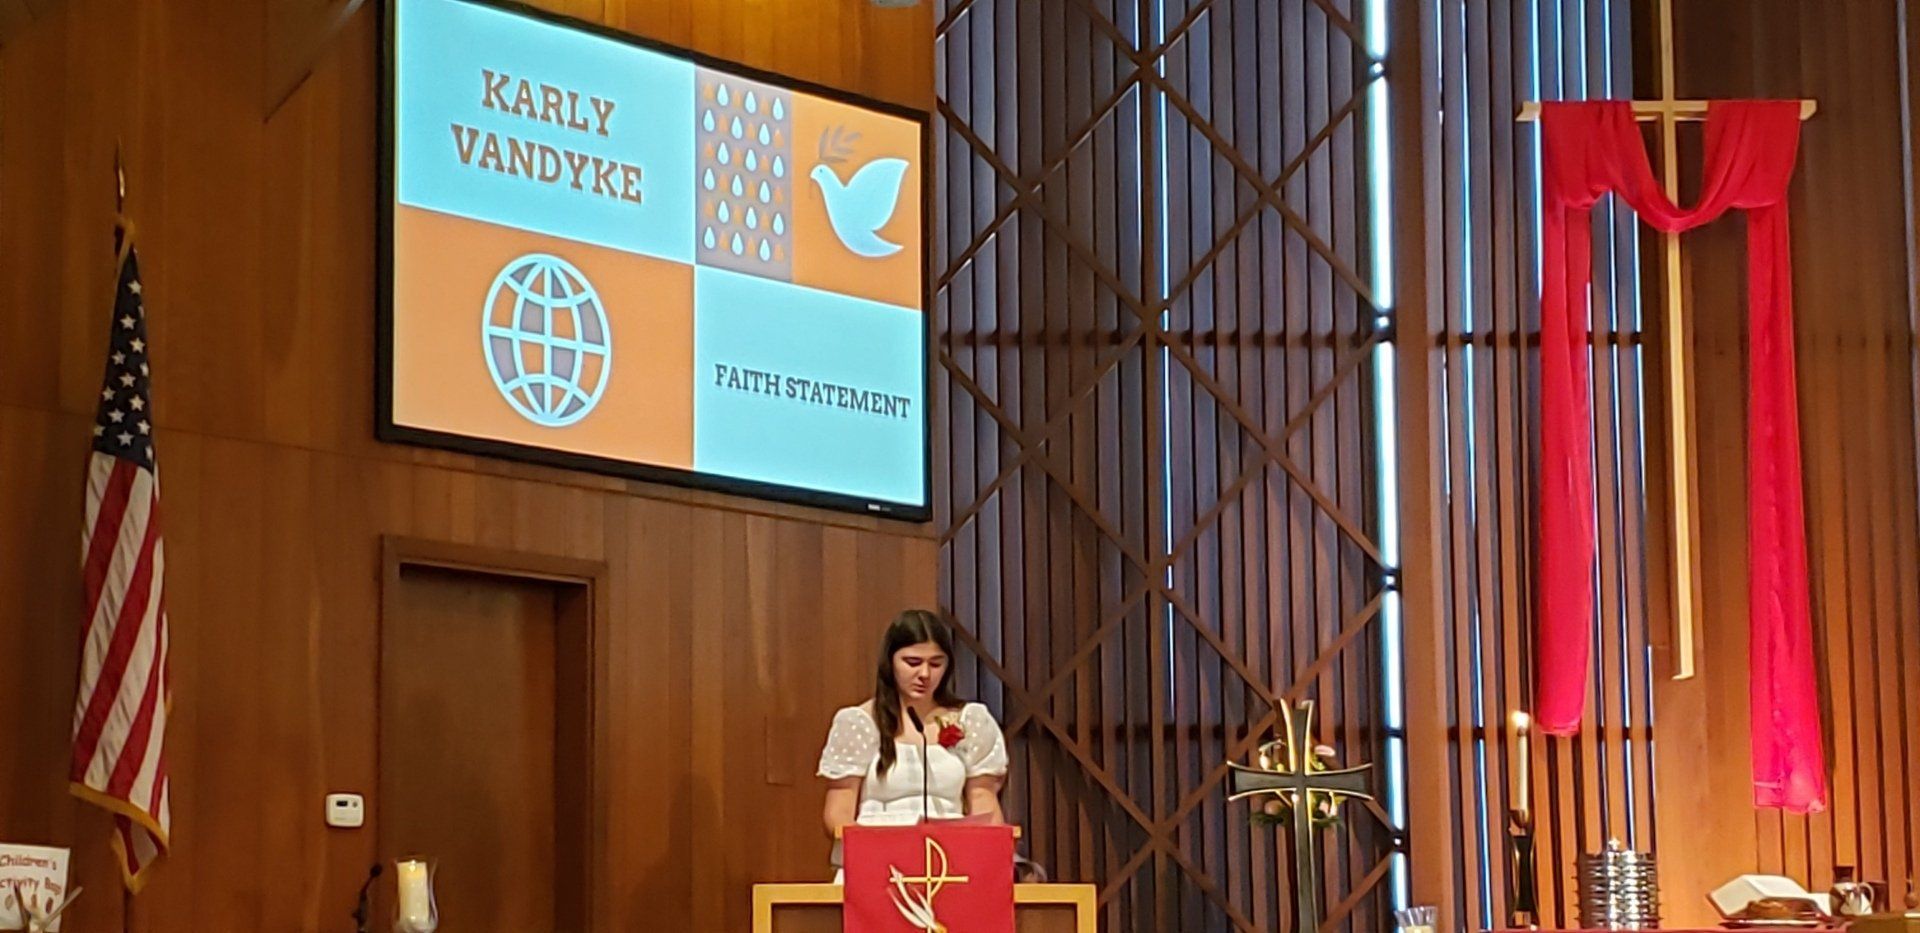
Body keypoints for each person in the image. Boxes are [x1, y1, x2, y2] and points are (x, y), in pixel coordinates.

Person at [817, 609, 1008, 871]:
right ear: (890, 661)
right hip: (876, 861)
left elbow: (984, 801)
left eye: (936, 664)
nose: (925, 674)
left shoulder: (971, 720)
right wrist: (871, 850)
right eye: (913, 662)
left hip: (950, 862)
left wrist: (989, 861)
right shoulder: (859, 722)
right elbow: (838, 810)